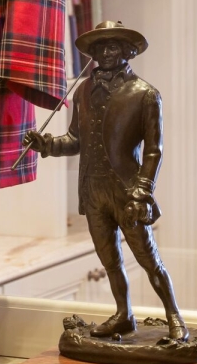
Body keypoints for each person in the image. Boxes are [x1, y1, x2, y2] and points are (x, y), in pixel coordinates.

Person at [24, 21, 188, 342]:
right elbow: (74, 139)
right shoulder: (84, 90)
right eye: (100, 47)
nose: (107, 52)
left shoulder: (145, 95)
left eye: (114, 46)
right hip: (93, 190)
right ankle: (123, 315)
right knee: (109, 260)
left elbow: (155, 150)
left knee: (147, 259)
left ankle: (174, 317)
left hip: (127, 192)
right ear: (93, 53)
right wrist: (47, 145)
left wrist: (143, 189)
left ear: (128, 51)